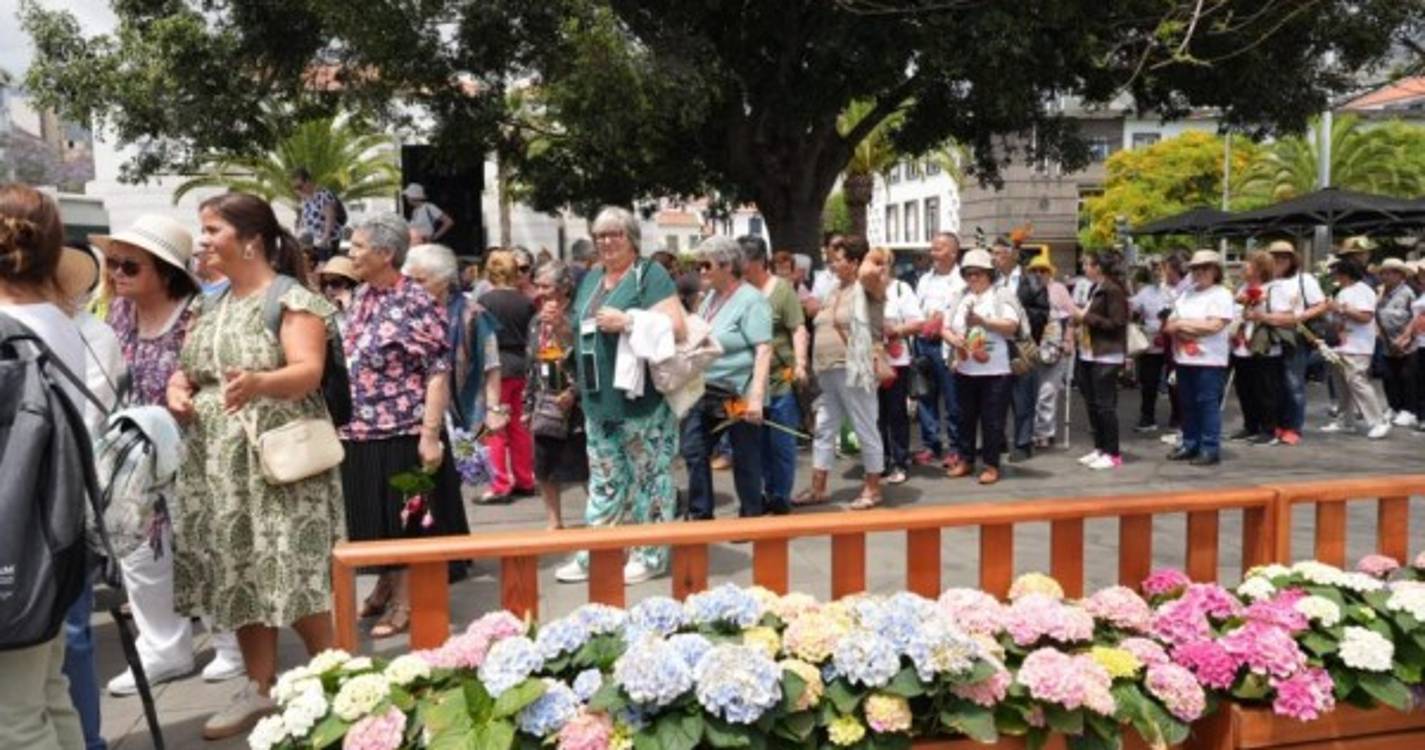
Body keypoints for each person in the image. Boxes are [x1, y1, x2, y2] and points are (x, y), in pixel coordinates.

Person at [165, 192, 344, 739]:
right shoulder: (208, 305)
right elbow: (191, 371)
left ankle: (331, 675)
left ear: (249, 240)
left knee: (292, 566)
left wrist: (261, 382)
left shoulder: (291, 299)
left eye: (213, 229)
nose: (203, 240)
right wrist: (177, 385)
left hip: (278, 458)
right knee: (238, 569)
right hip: (217, 463)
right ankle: (260, 687)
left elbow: (309, 371)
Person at [94, 214, 247, 695]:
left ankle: (231, 644)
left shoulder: (200, 312)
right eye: (113, 263)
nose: (117, 273)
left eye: (129, 265)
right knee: (140, 553)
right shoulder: (116, 314)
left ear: (164, 270)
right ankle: (163, 648)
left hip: (194, 447)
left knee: (206, 545)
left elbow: (219, 377)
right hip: (134, 453)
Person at [334, 213, 465, 639]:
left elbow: (437, 371)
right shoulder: (363, 296)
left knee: (404, 518)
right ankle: (384, 585)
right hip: (358, 430)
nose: (349, 254)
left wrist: (429, 435)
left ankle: (407, 601)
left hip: (402, 429)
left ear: (385, 253)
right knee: (370, 517)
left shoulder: (415, 300)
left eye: (357, 247)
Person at [0, 184, 88, 750]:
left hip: (13, 544)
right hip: (51, 532)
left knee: (12, 719)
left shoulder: (8, 332)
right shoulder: (58, 323)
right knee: (48, 695)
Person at [560, 206, 686, 584]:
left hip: (641, 399)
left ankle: (651, 553)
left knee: (650, 476)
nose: (606, 242)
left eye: (614, 234)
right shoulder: (592, 278)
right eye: (600, 235)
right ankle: (598, 553)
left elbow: (676, 326)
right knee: (604, 478)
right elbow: (581, 331)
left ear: (631, 238)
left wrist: (629, 321)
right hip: (598, 399)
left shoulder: (651, 275)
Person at [54, 243, 123, 750]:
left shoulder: (91, 332)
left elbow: (88, 420)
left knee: (73, 633)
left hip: (66, 489)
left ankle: (88, 740)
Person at [681, 236, 775, 519]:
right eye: (699, 265)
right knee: (693, 449)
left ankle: (751, 515)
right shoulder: (709, 298)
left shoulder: (752, 300)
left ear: (727, 265)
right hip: (706, 388)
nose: (701, 271)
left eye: (705, 265)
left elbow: (763, 348)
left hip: (738, 391)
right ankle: (700, 514)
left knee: (745, 458)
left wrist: (756, 397)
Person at [795, 235, 888, 508]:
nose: (832, 265)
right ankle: (818, 488)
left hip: (854, 368)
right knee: (824, 428)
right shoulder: (834, 290)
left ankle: (873, 488)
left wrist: (863, 256)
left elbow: (872, 269)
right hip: (827, 369)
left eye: (838, 259)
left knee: (864, 426)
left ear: (855, 262)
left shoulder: (868, 286)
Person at [739, 236, 808, 513]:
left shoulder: (782, 291)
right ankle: (765, 492)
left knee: (781, 443)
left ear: (756, 261)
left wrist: (801, 363)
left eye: (741, 261)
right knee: (756, 445)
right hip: (749, 383)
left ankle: (780, 496)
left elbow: (798, 329)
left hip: (781, 380)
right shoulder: (740, 292)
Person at [942, 248, 1019, 485]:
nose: (973, 278)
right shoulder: (959, 296)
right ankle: (965, 460)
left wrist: (983, 321)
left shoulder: (1000, 295)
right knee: (964, 417)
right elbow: (945, 327)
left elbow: (1012, 326)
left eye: (979, 273)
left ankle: (991, 464)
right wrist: (952, 339)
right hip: (965, 369)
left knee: (992, 420)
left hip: (996, 371)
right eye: (968, 273)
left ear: (989, 274)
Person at [523, 260, 588, 529]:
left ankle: (602, 520)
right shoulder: (536, 320)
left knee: (586, 467)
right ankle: (554, 521)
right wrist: (527, 404)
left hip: (576, 402)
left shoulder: (578, 317)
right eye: (537, 285)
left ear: (564, 288)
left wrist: (575, 391)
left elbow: (587, 359)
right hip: (545, 396)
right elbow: (531, 363)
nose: (539, 291)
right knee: (545, 466)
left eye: (546, 286)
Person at [477, 250, 538, 502]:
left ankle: (500, 483)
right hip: (521, 365)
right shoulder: (526, 302)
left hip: (496, 367)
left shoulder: (486, 301)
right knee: (519, 427)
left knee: (495, 427)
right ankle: (525, 479)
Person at [1164, 250, 1235, 466]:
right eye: (1195, 269)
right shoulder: (1187, 294)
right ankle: (1190, 442)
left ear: (1215, 270)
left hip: (1209, 359)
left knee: (1207, 403)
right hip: (1184, 357)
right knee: (1187, 403)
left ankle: (1209, 447)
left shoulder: (1221, 294)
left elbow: (1215, 325)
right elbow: (1169, 325)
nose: (1199, 272)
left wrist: (1183, 325)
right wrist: (1186, 326)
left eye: (1205, 268)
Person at [1261, 240, 1328, 446]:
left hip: (1296, 336)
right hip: (1269, 337)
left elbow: (1321, 305)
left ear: (1292, 259)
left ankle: (1293, 426)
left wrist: (1299, 317)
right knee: (1274, 384)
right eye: (1275, 256)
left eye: (1284, 256)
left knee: (1293, 382)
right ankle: (1278, 423)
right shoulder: (1266, 281)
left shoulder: (1303, 279)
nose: (1279, 260)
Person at [992, 237, 1049, 463]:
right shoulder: (992, 280)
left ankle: (1023, 443)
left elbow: (1043, 312)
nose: (994, 258)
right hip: (996, 343)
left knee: (1023, 396)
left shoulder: (1031, 280)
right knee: (996, 397)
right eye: (993, 254)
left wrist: (1017, 314)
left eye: (998, 253)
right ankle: (998, 441)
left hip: (1021, 344)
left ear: (1012, 254)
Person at [1070, 250, 1129, 470]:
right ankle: (1100, 447)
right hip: (1088, 352)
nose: (1084, 268)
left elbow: (1116, 322)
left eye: (1087, 264)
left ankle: (1113, 453)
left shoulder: (1113, 290)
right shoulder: (1097, 288)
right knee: (1092, 403)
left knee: (1105, 405)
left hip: (1107, 354)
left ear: (1099, 267)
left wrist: (1085, 317)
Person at [1321, 257, 1391, 439]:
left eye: (1338, 274)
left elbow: (1366, 316)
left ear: (1346, 274)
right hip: (1343, 344)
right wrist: (1333, 316)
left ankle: (1378, 420)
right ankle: (1346, 420)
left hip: (1359, 345)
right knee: (1342, 383)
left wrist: (1341, 309)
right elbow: (1339, 318)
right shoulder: (1344, 291)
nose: (1336, 278)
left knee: (1357, 381)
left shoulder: (1363, 290)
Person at [912, 231, 966, 468]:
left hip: (947, 345)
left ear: (953, 253)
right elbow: (916, 308)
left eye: (939, 248)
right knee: (925, 395)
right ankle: (930, 444)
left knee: (953, 398)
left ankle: (956, 447)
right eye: (932, 248)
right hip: (923, 343)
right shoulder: (924, 279)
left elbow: (961, 311)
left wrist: (942, 318)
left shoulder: (962, 281)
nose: (933, 253)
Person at [877, 248, 923, 485]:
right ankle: (879, 460)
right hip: (871, 360)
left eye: (882, 263)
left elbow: (917, 322)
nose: (879, 268)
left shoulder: (900, 289)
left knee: (896, 412)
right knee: (875, 414)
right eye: (874, 263)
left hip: (896, 359)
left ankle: (900, 460)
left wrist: (896, 331)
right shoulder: (864, 290)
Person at [1228, 251, 1282, 445]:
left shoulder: (1273, 289)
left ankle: (1269, 429)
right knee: (1244, 388)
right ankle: (1250, 425)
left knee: (1264, 388)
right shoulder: (1242, 288)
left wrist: (1258, 315)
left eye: (1248, 264)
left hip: (1263, 344)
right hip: (1241, 345)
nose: (1244, 267)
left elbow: (1281, 315)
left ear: (1260, 268)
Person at [1030, 252, 1073, 448]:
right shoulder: (1027, 289)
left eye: (1043, 270)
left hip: (1054, 345)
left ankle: (1045, 431)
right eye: (1035, 271)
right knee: (1031, 392)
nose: (1039, 274)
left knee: (1047, 391)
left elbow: (1072, 317)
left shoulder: (1059, 289)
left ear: (1050, 272)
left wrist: (1068, 340)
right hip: (1031, 347)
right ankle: (1031, 430)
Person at [1130, 255, 1178, 432]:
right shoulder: (1145, 291)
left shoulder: (1175, 291)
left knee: (1174, 381)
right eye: (1154, 268)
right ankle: (1147, 417)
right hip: (1151, 342)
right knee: (1148, 382)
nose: (1157, 272)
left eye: (1160, 267)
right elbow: (1134, 310)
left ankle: (1177, 417)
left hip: (1172, 340)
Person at [1376, 257, 1417, 427]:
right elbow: (1377, 315)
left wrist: (1405, 338)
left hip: (1407, 342)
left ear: (1400, 275)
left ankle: (1409, 410)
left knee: (1406, 376)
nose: (1385, 276)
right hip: (1387, 342)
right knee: (1388, 376)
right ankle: (1393, 406)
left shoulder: (1408, 293)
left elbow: (1416, 318)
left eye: (1390, 273)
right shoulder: (1381, 292)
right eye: (1383, 273)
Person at [291, 168, 341, 261]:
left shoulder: (323, 194)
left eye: (300, 186)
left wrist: (325, 238)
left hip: (326, 241)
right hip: (314, 241)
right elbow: (304, 217)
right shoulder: (305, 198)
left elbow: (330, 216)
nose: (298, 190)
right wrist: (299, 233)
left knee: (325, 269)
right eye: (295, 188)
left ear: (308, 181)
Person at [316, 255, 360, 327]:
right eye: (324, 283)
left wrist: (348, 307)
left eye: (335, 283)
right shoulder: (319, 306)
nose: (328, 288)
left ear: (350, 285)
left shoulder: (360, 308)